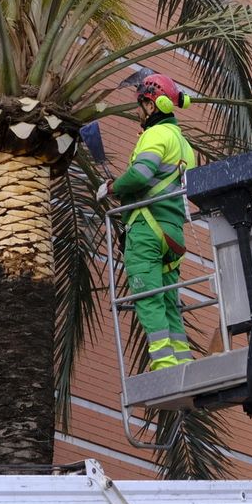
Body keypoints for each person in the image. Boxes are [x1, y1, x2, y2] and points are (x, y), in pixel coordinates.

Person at [99, 72, 198, 371]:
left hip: (146, 229)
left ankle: (164, 361)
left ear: (152, 106)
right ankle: (181, 359)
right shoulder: (184, 145)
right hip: (172, 233)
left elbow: (141, 174)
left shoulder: (156, 136)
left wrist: (113, 187)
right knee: (169, 299)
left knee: (147, 294)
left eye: (140, 105)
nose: (137, 113)